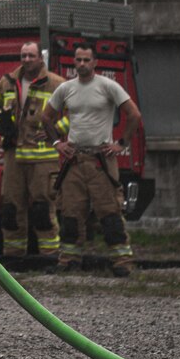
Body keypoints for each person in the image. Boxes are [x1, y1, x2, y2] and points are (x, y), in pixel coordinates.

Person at [42, 45, 144, 277]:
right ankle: (68, 260)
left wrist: (122, 144)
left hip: (101, 161)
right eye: (78, 60)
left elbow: (134, 115)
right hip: (75, 160)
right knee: (70, 213)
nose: (81, 64)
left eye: (86, 60)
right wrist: (58, 143)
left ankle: (121, 262)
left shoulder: (108, 86)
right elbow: (45, 117)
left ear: (95, 62)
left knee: (109, 213)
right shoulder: (66, 88)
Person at [0, 40, 66, 261]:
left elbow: (76, 115)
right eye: (23, 56)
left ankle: (50, 257)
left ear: (40, 58)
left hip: (43, 158)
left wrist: (55, 130)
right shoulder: (7, 83)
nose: (26, 60)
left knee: (42, 209)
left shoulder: (57, 84)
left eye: (31, 56)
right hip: (14, 156)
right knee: (10, 209)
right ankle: (14, 256)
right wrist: (1, 123)